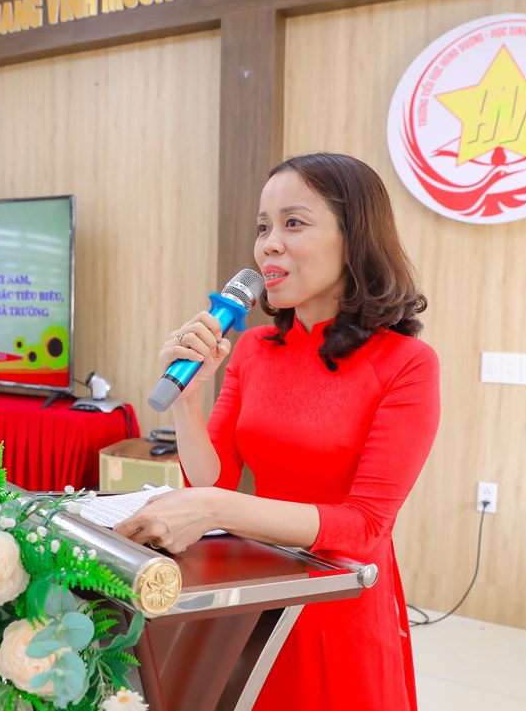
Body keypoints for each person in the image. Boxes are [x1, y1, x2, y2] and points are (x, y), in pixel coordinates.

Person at [114, 153, 440, 710]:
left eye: (293, 223)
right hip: (258, 591)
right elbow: (213, 477)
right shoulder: (253, 349)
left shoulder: (407, 364)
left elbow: (364, 527)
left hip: (338, 598)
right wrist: (187, 402)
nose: (269, 245)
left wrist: (216, 509)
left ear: (354, 238)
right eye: (263, 228)